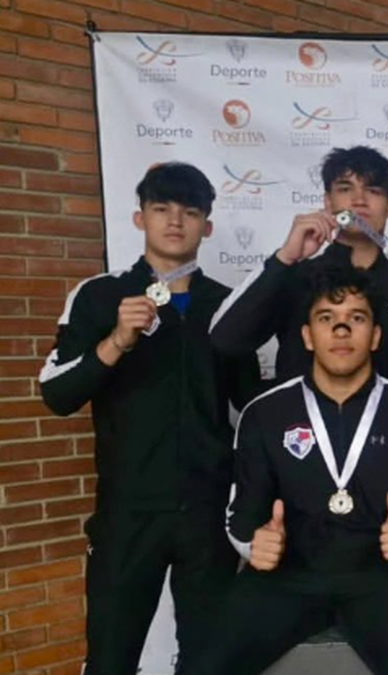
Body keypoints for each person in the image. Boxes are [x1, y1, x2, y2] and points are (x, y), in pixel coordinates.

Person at [38, 162, 259, 675]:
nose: (175, 221)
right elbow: (56, 395)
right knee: (112, 659)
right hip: (127, 514)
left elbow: (255, 410)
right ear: (140, 218)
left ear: (207, 224)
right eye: (161, 209)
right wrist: (115, 343)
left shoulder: (225, 307)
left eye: (190, 211)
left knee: (210, 661)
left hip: (208, 514)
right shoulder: (99, 296)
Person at [188, 264, 388, 675]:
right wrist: (254, 543)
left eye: (356, 318)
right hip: (288, 574)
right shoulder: (265, 414)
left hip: (380, 576)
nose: (341, 331)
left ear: (376, 335)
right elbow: (241, 515)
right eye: (327, 318)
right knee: (202, 666)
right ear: (308, 336)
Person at [209, 145, 388, 400]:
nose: (359, 200)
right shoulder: (294, 276)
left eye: (372, 190)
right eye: (345, 188)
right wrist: (285, 257)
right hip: (300, 435)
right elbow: (225, 340)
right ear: (328, 201)